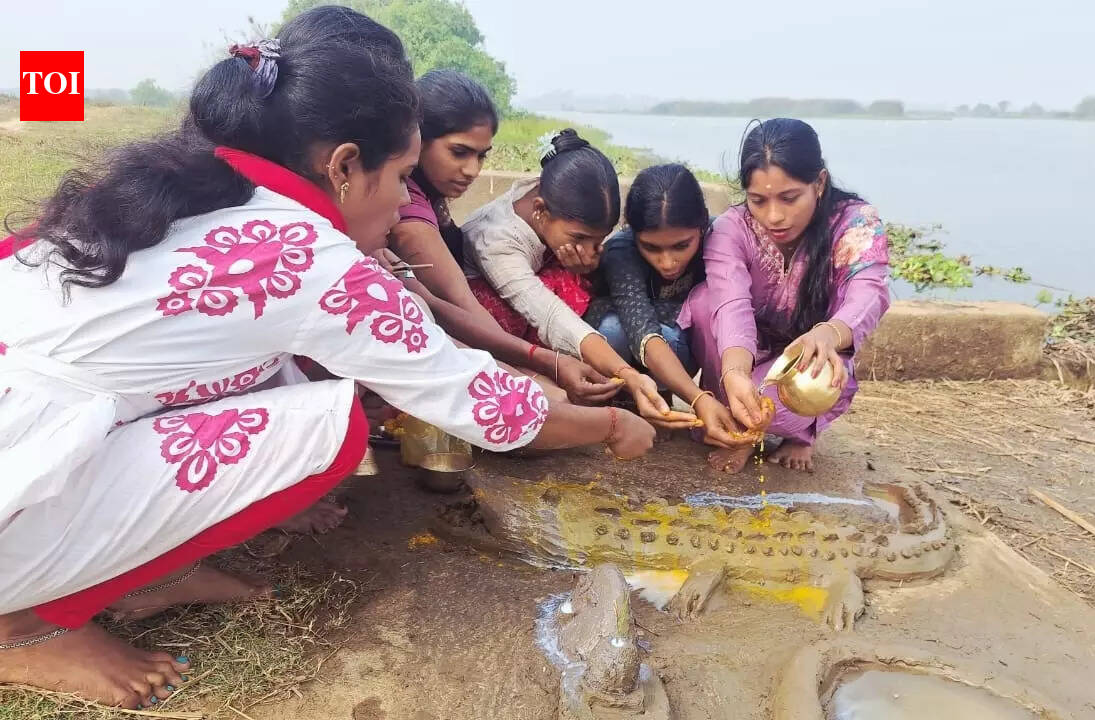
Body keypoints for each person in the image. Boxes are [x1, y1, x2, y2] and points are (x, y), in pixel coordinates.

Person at [0, 7, 653, 708]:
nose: (407, 197)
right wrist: (613, 428)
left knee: (301, 375)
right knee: (330, 421)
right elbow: (488, 411)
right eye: (404, 175)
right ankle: (20, 626)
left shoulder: (188, 180)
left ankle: (139, 570)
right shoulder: (311, 255)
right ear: (344, 165)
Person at [387, 70, 617, 406]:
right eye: (459, 152)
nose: (473, 171)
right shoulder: (410, 212)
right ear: (419, 139)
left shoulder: (432, 197)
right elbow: (462, 307)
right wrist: (536, 378)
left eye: (481, 156)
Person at [680, 118, 890, 473]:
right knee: (704, 302)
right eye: (758, 201)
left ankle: (792, 434)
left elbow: (868, 291)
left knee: (784, 397)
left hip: (809, 363)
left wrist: (829, 332)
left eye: (789, 198)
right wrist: (734, 373)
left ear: (819, 183)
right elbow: (731, 304)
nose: (774, 217)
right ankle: (734, 411)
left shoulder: (854, 223)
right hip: (746, 352)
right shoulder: (732, 228)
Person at [462, 130, 698, 431]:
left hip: (538, 323)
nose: (589, 251)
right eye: (580, 239)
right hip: (496, 331)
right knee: (550, 405)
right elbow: (549, 313)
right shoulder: (495, 240)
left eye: (598, 241)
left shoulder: (556, 206)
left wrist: (586, 270)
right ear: (540, 210)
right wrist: (628, 374)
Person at [586, 163, 751, 449]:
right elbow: (640, 327)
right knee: (612, 329)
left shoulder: (718, 241)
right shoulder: (621, 251)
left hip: (684, 346)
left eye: (681, 246)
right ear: (633, 233)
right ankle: (629, 396)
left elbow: (735, 310)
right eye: (651, 248)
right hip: (633, 341)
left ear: (701, 228)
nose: (667, 262)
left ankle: (667, 394)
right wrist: (698, 400)